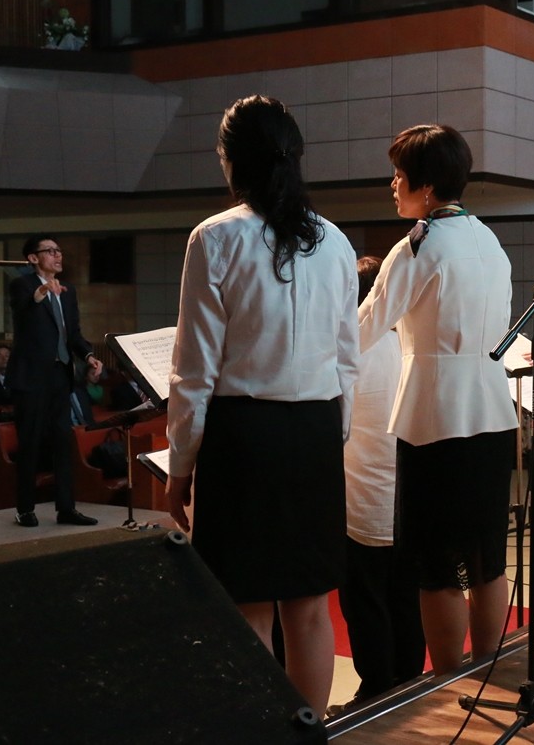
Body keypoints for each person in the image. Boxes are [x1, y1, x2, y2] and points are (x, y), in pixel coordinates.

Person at [166, 95, 359, 712]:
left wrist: (179, 464)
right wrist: (331, 436)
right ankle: (309, 731)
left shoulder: (215, 237)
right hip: (316, 431)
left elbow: (194, 368)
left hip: (243, 436)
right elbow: (347, 358)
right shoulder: (334, 241)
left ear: (230, 160)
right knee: (309, 607)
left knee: (246, 605)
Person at [359, 124, 518, 675]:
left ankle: (449, 682)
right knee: (487, 560)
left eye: (399, 175)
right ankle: (489, 669)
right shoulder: (489, 240)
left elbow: (364, 327)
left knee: (437, 566)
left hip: (435, 418)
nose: (392, 185)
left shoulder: (418, 246)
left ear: (425, 186)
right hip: (492, 411)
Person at [334, 256, 425, 711]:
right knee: (406, 595)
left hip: (362, 498)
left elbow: (336, 429)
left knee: (365, 600)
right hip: (407, 496)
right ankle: (409, 678)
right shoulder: (408, 343)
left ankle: (375, 689)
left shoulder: (351, 351)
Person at [8, 236, 102, 528]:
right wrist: (41, 292)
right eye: (50, 251)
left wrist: (89, 356)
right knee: (30, 443)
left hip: (61, 377)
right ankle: (25, 509)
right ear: (33, 258)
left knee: (63, 442)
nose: (58, 255)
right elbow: (22, 311)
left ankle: (66, 508)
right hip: (31, 378)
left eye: (59, 251)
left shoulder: (67, 291)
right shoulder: (22, 286)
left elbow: (73, 333)